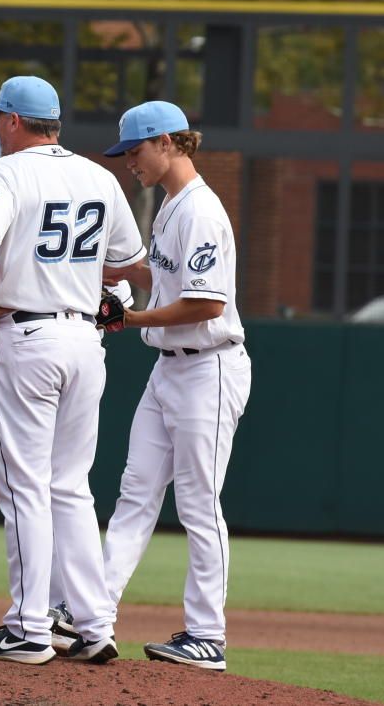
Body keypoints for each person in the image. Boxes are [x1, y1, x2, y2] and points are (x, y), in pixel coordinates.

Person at [0, 76, 146, 665]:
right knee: (72, 487)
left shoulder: (5, 172)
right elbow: (133, 267)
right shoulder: (100, 176)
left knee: (25, 488)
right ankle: (93, 625)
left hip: (28, 337)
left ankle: (29, 626)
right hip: (85, 341)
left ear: (13, 121)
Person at [100, 100, 252, 672]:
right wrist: (126, 274)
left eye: (134, 150)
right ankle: (94, 610)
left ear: (167, 142)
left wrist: (131, 318)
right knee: (135, 492)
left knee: (197, 503)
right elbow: (169, 278)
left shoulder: (200, 212)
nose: (129, 162)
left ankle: (207, 634)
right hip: (169, 369)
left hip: (208, 367)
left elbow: (207, 302)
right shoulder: (169, 207)